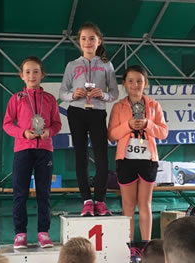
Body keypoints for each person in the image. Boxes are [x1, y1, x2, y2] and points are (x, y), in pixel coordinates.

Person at [107, 65, 168, 258]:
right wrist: (128, 125)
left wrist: (148, 124)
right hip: (126, 160)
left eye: (139, 81)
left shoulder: (154, 106)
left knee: (145, 204)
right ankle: (130, 247)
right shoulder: (118, 106)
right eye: (131, 81)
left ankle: (147, 247)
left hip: (148, 160)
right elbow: (111, 135)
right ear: (124, 84)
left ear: (146, 83)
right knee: (128, 205)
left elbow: (163, 132)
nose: (135, 85)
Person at [59, 22, 119, 216]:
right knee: (81, 157)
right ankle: (86, 200)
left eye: (92, 38)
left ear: (99, 41)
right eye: (84, 38)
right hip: (76, 112)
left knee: (102, 157)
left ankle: (100, 200)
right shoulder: (72, 65)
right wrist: (72, 95)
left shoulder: (106, 65)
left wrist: (103, 95)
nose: (88, 42)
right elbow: (62, 91)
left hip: (97, 112)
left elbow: (115, 93)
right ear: (79, 42)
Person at [3, 56, 62, 249]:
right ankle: (20, 233)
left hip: (44, 150)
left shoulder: (50, 99)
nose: (32, 75)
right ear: (21, 76)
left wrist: (48, 132)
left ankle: (43, 233)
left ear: (42, 74)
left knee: (44, 193)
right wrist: (22, 133)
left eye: (36, 71)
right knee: (20, 193)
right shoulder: (16, 99)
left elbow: (57, 124)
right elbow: (7, 124)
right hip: (22, 150)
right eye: (27, 72)